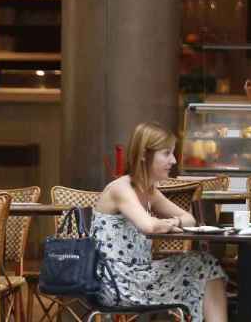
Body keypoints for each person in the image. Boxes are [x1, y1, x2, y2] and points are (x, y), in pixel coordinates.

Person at [91, 122, 227, 322]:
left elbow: (190, 219)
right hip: (115, 281)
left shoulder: (149, 192)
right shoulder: (122, 188)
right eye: (166, 153)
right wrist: (169, 224)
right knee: (204, 265)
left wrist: (171, 221)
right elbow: (148, 226)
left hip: (139, 275)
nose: (173, 160)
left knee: (206, 263)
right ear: (145, 154)